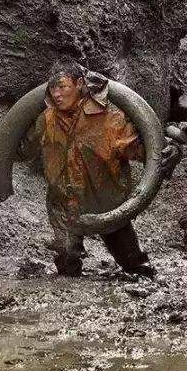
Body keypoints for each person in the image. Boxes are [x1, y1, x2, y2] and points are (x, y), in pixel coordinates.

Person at [13, 60, 176, 277]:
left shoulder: (109, 118)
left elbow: (144, 151)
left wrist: (170, 151)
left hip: (106, 204)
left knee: (136, 268)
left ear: (79, 84)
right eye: (52, 88)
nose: (57, 94)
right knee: (67, 270)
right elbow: (23, 150)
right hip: (64, 205)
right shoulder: (46, 119)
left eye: (62, 87)